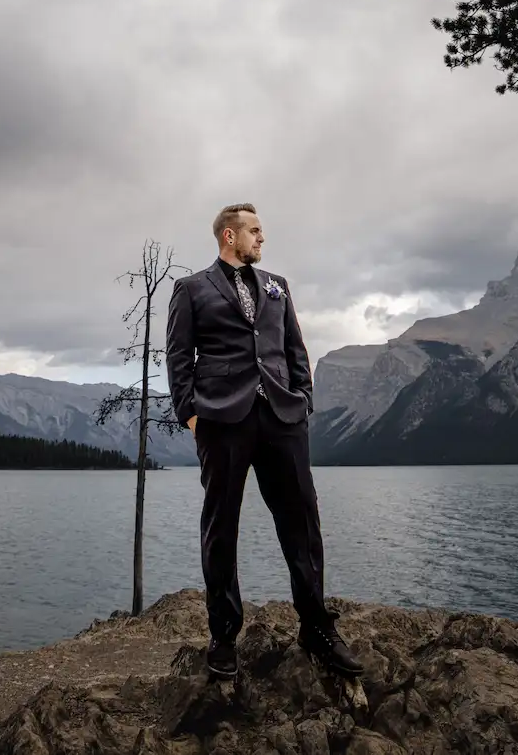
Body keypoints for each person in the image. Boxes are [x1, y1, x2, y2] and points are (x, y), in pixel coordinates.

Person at [164, 202, 363, 681]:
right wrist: (190, 415)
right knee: (221, 527)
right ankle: (224, 635)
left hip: (281, 417)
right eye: (254, 231)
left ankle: (317, 628)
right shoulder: (190, 289)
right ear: (228, 236)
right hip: (222, 420)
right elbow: (177, 355)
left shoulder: (278, 286)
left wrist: (304, 399)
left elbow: (296, 347)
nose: (262, 239)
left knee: (302, 522)